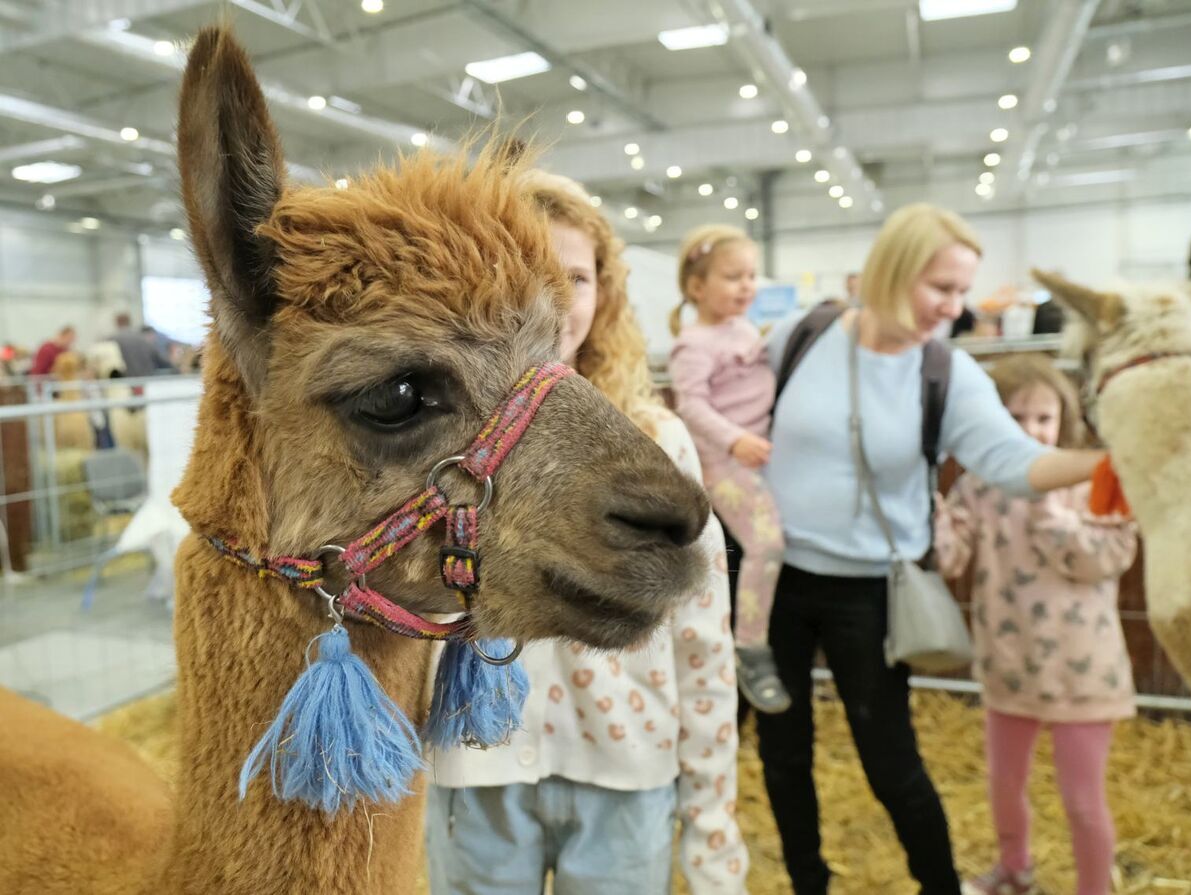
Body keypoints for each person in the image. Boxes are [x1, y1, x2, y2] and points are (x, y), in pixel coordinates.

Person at [759, 203, 1108, 895]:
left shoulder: (946, 373)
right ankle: (808, 882)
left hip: (874, 590)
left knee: (891, 759)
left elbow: (1013, 460)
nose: (952, 308)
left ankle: (939, 885)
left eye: (960, 292)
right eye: (940, 288)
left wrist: (1106, 462)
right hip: (773, 579)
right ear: (894, 269)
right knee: (781, 752)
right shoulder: (798, 336)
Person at [424, 171, 748, 895]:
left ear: (604, 293)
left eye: (575, 276)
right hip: (477, 764)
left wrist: (713, 829)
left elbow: (700, 635)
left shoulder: (655, 438)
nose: (555, 299)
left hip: (625, 770)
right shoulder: (436, 446)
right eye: (530, 272)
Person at [934, 354, 1137, 895]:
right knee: (1004, 784)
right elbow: (951, 558)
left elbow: (1110, 555)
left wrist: (1055, 522)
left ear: (1063, 421)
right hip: (1010, 666)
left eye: (1043, 419)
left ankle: (1094, 888)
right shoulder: (978, 485)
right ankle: (1014, 870)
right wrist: (927, 514)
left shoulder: (1092, 479)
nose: (1031, 431)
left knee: (1082, 798)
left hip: (1083, 672)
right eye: (1015, 419)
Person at [667, 225, 790, 715]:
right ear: (697, 287)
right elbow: (691, 406)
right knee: (767, 544)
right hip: (724, 460)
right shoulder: (693, 343)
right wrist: (734, 439)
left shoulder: (744, 330)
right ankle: (750, 646)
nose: (747, 286)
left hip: (755, 452)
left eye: (751, 276)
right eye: (733, 276)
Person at [111, 313, 171, 377]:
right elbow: (161, 361)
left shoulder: (111, 340)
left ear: (117, 322)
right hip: (145, 380)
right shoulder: (143, 340)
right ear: (129, 322)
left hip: (124, 382)